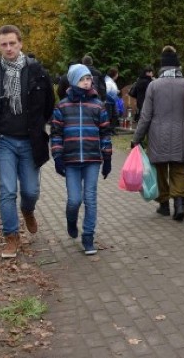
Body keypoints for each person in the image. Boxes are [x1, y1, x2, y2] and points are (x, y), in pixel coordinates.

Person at [0, 25, 55, 259]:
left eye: (12, 43)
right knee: (7, 191)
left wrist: (38, 126)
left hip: (30, 141)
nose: (9, 48)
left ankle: (28, 209)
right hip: (3, 141)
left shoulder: (37, 72)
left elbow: (49, 103)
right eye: (4, 44)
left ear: (20, 43)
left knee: (30, 191)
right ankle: (11, 237)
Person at [132, 46, 184, 221]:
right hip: (182, 135)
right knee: (179, 169)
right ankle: (179, 204)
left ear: (161, 67)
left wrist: (137, 138)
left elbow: (145, 116)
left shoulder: (153, 86)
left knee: (160, 169)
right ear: (178, 67)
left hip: (157, 136)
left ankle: (164, 205)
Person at [50, 64, 113, 255]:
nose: (87, 82)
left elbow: (105, 133)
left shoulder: (97, 105)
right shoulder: (62, 106)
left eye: (88, 79)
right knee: (74, 200)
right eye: (82, 79)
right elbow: (56, 134)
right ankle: (71, 219)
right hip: (70, 161)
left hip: (92, 159)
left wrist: (108, 157)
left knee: (90, 199)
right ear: (73, 81)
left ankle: (88, 237)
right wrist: (57, 156)